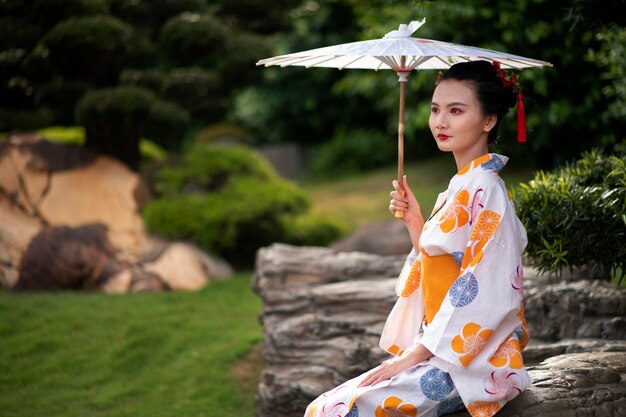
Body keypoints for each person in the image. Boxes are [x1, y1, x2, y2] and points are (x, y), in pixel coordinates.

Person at [304, 60, 531, 417]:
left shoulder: (487, 189)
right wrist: (416, 223)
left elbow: (483, 288)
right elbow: (440, 264)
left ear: (489, 120)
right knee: (324, 407)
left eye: (456, 111)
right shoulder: (461, 186)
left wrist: (413, 356)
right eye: (436, 109)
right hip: (440, 349)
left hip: (472, 363)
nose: (440, 122)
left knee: (335, 411)